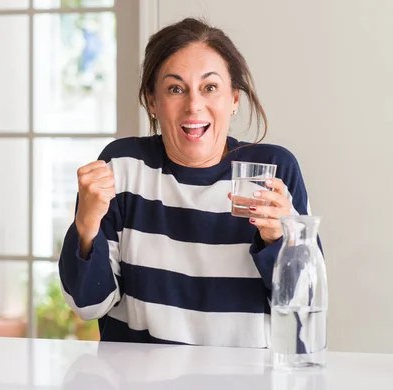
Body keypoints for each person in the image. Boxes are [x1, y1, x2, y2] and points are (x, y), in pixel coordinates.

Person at [58, 17, 317, 347]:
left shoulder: (273, 169)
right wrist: (86, 224)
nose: (194, 105)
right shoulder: (122, 167)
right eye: (175, 89)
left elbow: (305, 307)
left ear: (234, 99)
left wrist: (280, 241)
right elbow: (87, 305)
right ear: (153, 102)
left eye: (210, 88)